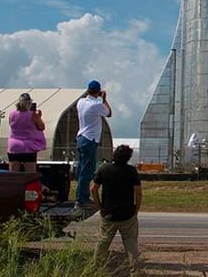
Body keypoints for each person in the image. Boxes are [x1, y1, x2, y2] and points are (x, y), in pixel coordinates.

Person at [91, 145, 142, 276]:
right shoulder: (131, 171)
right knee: (131, 244)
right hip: (127, 213)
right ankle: (135, 271)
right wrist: (136, 209)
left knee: (102, 242)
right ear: (128, 158)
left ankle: (96, 269)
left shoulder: (104, 169)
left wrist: (99, 206)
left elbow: (94, 189)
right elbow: (138, 192)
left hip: (108, 212)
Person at [75, 80, 112, 211]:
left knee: (81, 169)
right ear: (98, 91)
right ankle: (81, 199)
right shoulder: (95, 105)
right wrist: (104, 99)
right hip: (90, 139)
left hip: (81, 137)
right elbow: (109, 113)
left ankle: (81, 196)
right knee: (87, 170)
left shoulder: (81, 102)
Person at [7, 93, 46, 173]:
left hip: (14, 146)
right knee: (29, 175)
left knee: (13, 176)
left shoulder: (12, 114)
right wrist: (39, 117)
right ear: (29, 103)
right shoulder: (32, 114)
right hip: (28, 146)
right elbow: (41, 127)